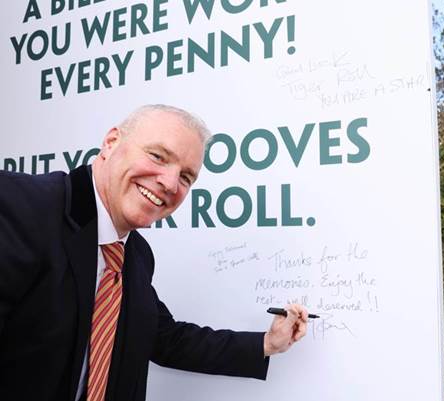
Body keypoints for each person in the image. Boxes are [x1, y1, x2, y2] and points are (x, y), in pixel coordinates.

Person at [0, 104, 308, 401]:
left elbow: (163, 337)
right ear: (111, 142)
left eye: (186, 177)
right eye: (158, 156)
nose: (170, 184)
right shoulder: (17, 203)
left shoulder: (136, 254)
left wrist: (267, 343)